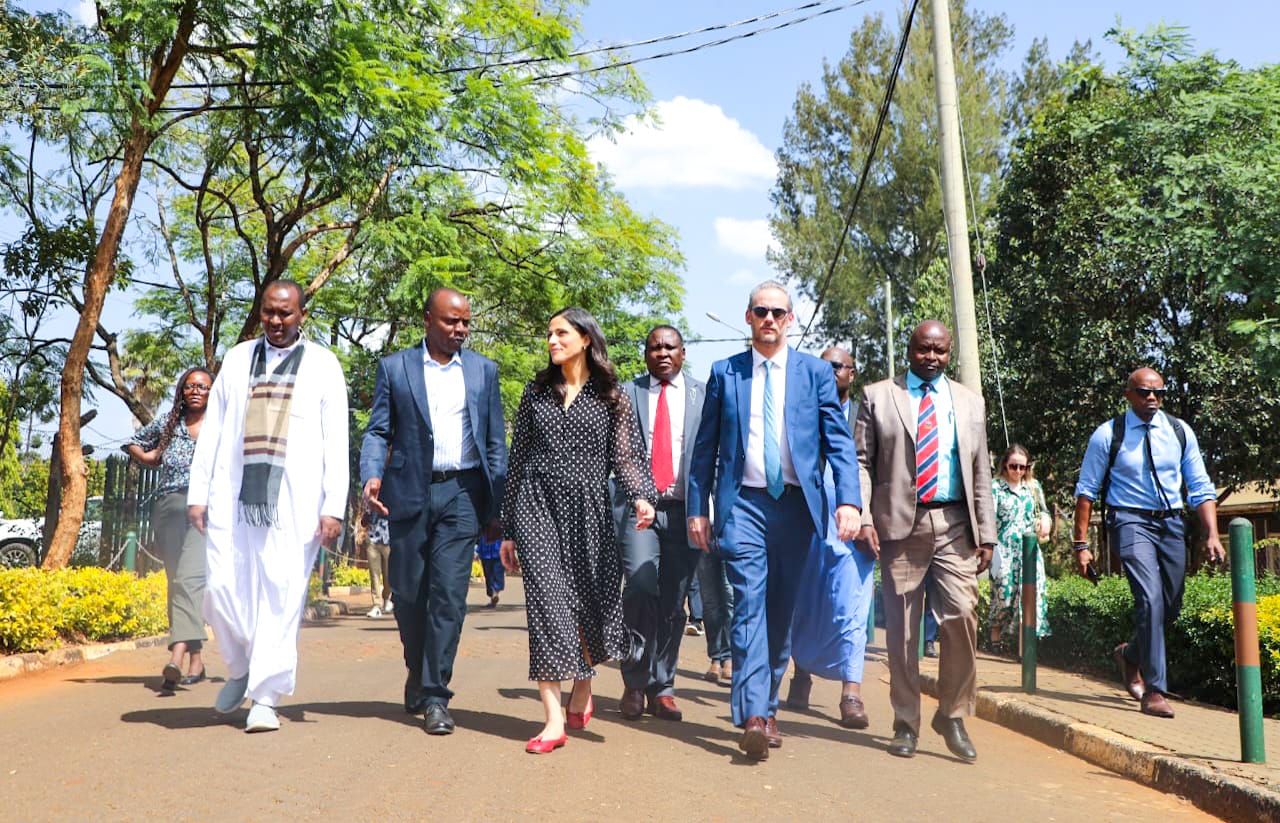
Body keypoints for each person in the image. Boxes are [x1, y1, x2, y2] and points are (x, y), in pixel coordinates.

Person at [687, 280, 861, 762]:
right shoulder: (726, 373)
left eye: (777, 312)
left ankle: (768, 705)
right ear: (748, 318)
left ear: (790, 320)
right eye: (760, 311)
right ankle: (754, 716)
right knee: (749, 605)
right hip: (743, 503)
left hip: (797, 508)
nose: (768, 318)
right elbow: (706, 449)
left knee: (782, 611)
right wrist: (698, 509)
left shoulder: (815, 374)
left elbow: (838, 444)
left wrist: (849, 500)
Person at [187, 279, 349, 733]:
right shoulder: (237, 360)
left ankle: (266, 696)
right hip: (232, 496)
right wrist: (198, 493)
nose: (276, 322)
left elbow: (337, 438)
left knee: (280, 594)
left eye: (285, 314)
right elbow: (213, 429)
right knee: (220, 589)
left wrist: (333, 504)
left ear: (302, 315)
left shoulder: (322, 364)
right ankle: (240, 668)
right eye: (268, 313)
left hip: (295, 501)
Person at [499, 307, 657, 754]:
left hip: (589, 511)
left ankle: (584, 680)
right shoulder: (535, 392)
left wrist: (642, 495)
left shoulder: (612, 395)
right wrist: (509, 528)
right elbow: (518, 460)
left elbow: (625, 457)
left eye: (561, 333)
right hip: (537, 508)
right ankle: (552, 721)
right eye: (549, 334)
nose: (552, 341)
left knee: (589, 601)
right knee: (547, 608)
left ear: (586, 339)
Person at [360, 287, 507, 736]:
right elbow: (378, 431)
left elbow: (496, 444)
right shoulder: (395, 367)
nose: (460, 329)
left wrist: (497, 506)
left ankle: (436, 695)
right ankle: (417, 669)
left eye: (465, 322)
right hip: (408, 492)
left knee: (448, 596)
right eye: (450, 321)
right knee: (408, 595)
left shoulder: (484, 371)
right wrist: (371, 474)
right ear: (427, 319)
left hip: (462, 493)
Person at [855, 320, 996, 762]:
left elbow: (981, 472)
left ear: (948, 352)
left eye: (939, 351)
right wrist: (862, 518)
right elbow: (860, 462)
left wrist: (986, 534)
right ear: (909, 349)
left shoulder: (971, 403)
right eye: (922, 350)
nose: (930, 358)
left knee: (961, 615)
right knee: (901, 631)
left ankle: (951, 713)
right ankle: (905, 722)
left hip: (955, 521)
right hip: (900, 524)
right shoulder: (878, 396)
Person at [1072, 367, 1224, 719]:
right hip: (1128, 520)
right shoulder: (1108, 434)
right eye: (1143, 392)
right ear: (1129, 394)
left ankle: (1129, 655)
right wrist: (1081, 544)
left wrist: (1213, 534)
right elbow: (1086, 491)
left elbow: (1200, 486)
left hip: (1171, 522)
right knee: (1150, 598)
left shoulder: (1179, 432)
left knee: (1170, 605)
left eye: (1157, 392)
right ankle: (1155, 691)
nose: (1151, 398)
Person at [615, 325, 707, 722]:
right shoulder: (625, 393)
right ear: (645, 353)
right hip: (639, 511)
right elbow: (619, 453)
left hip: (685, 511)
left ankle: (663, 686)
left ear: (683, 353)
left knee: (673, 600)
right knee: (639, 584)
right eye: (655, 347)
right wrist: (637, 495)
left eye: (670, 347)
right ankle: (635, 682)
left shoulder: (703, 394)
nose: (663, 353)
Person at [786, 346, 873, 728]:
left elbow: (877, 469)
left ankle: (850, 692)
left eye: (837, 366)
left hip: (857, 524)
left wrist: (869, 518)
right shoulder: (799, 408)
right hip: (808, 518)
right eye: (824, 365)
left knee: (852, 605)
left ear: (852, 375)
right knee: (804, 601)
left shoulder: (865, 415)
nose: (830, 371)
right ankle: (800, 673)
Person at [123, 366, 213, 691]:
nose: (196, 391)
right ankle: (197, 660)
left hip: (206, 511)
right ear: (182, 391)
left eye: (202, 386)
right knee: (176, 582)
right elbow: (133, 442)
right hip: (167, 507)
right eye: (190, 386)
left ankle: (175, 657)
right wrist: (151, 457)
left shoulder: (222, 424)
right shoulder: (169, 422)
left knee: (189, 579)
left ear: (211, 391)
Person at [989, 444, 1051, 645]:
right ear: (1005, 465)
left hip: (1029, 550)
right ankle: (995, 636)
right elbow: (988, 518)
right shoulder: (995, 487)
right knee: (1004, 596)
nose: (1017, 471)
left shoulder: (1033, 487)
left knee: (1030, 595)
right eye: (1013, 466)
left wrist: (1045, 523)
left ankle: (1025, 647)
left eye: (1022, 467)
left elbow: (1044, 511)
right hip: (1003, 550)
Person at [696, 550, 734, 686]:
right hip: (703, 538)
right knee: (710, 601)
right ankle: (716, 658)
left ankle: (728, 657)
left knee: (730, 598)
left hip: (733, 536)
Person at [364, 511, 393, 618]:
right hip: (372, 539)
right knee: (374, 574)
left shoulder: (392, 496)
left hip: (388, 539)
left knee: (388, 573)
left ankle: (387, 598)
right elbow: (364, 516)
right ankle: (376, 605)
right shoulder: (370, 496)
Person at [475, 535, 504, 607]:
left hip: (491, 545)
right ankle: (494, 594)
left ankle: (494, 594)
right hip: (492, 545)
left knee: (491, 574)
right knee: (493, 574)